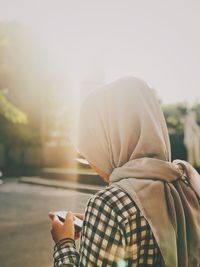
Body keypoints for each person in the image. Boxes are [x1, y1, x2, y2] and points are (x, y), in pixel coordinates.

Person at [49, 76, 200, 267]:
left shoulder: (108, 204)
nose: (92, 163)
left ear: (109, 142)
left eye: (90, 152)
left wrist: (64, 243)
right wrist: (96, 224)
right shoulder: (188, 180)